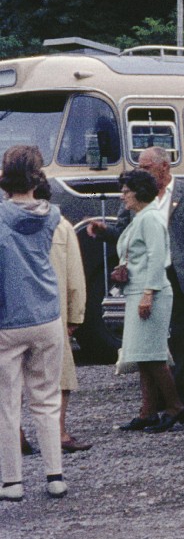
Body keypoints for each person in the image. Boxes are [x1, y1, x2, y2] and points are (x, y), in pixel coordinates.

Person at [88, 147, 184, 407]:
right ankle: (157, 400)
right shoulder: (137, 195)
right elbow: (124, 231)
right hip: (144, 274)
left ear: (164, 167)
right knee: (149, 338)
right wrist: (105, 232)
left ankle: (177, 394)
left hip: (179, 274)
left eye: (145, 167)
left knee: (180, 335)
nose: (140, 172)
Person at [0, 146, 68, 500]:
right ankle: (54, 475)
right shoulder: (52, 213)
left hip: (8, 318)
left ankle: (12, 481)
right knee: (46, 397)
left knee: (6, 403)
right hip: (47, 313)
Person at [114, 169, 184, 434]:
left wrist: (149, 293)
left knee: (154, 354)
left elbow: (158, 257)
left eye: (126, 191)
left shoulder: (150, 219)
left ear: (139, 192)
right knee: (143, 355)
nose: (122, 196)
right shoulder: (140, 218)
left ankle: (174, 406)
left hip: (150, 292)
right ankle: (148, 411)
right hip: (138, 290)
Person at [35, 175, 90, 452]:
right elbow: (74, 276)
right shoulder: (62, 226)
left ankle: (16, 434)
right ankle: (58, 433)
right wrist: (76, 315)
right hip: (53, 314)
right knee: (60, 376)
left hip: (12, 317)